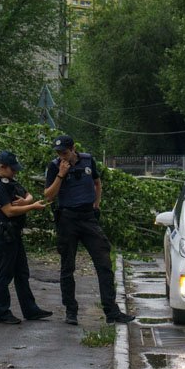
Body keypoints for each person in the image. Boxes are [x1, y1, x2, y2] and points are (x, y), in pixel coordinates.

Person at [43, 135, 135, 325]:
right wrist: (61, 174)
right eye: (59, 153)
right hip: (67, 218)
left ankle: (111, 311)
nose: (62, 156)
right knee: (67, 266)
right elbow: (49, 196)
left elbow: (97, 181)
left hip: (87, 217)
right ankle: (71, 310)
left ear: (73, 149)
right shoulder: (54, 166)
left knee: (104, 262)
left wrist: (97, 203)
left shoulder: (87, 160)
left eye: (65, 153)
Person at [0, 151, 52, 324]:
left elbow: (28, 194)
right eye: (12, 169)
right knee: (4, 274)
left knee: (22, 273)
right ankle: (3, 312)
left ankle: (30, 309)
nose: (15, 172)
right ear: (2, 167)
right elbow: (8, 211)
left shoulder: (11, 182)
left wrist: (26, 201)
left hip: (14, 234)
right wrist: (31, 207)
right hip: (3, 235)